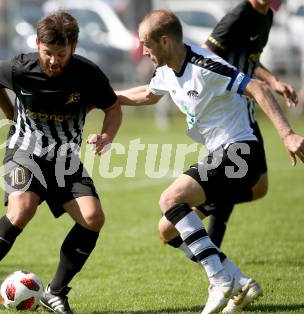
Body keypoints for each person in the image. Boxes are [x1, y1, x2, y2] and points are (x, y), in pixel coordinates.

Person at [116, 10, 304, 314]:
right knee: (168, 229)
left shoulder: (205, 65)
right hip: (221, 154)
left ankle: (219, 280)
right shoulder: (166, 69)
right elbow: (148, 95)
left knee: (170, 198)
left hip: (240, 153)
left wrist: (287, 135)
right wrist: (106, 98)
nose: (143, 50)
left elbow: (258, 88)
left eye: (146, 44)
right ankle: (238, 280)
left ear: (164, 41)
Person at [0, 11, 122, 314]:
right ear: (37, 44)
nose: (54, 61)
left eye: (61, 54)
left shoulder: (87, 73)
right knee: (21, 210)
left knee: (93, 218)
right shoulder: (20, 68)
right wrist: (9, 113)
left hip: (65, 161)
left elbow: (113, 107)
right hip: (24, 152)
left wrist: (107, 135)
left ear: (73, 46)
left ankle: (55, 292)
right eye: (48, 53)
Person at [202, 0, 299, 248]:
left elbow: (251, 60)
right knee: (239, 180)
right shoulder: (238, 16)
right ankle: (207, 245)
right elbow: (206, 55)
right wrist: (233, 86)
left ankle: (199, 209)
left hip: (245, 109)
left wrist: (274, 82)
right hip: (229, 112)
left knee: (259, 187)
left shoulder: (266, 16)